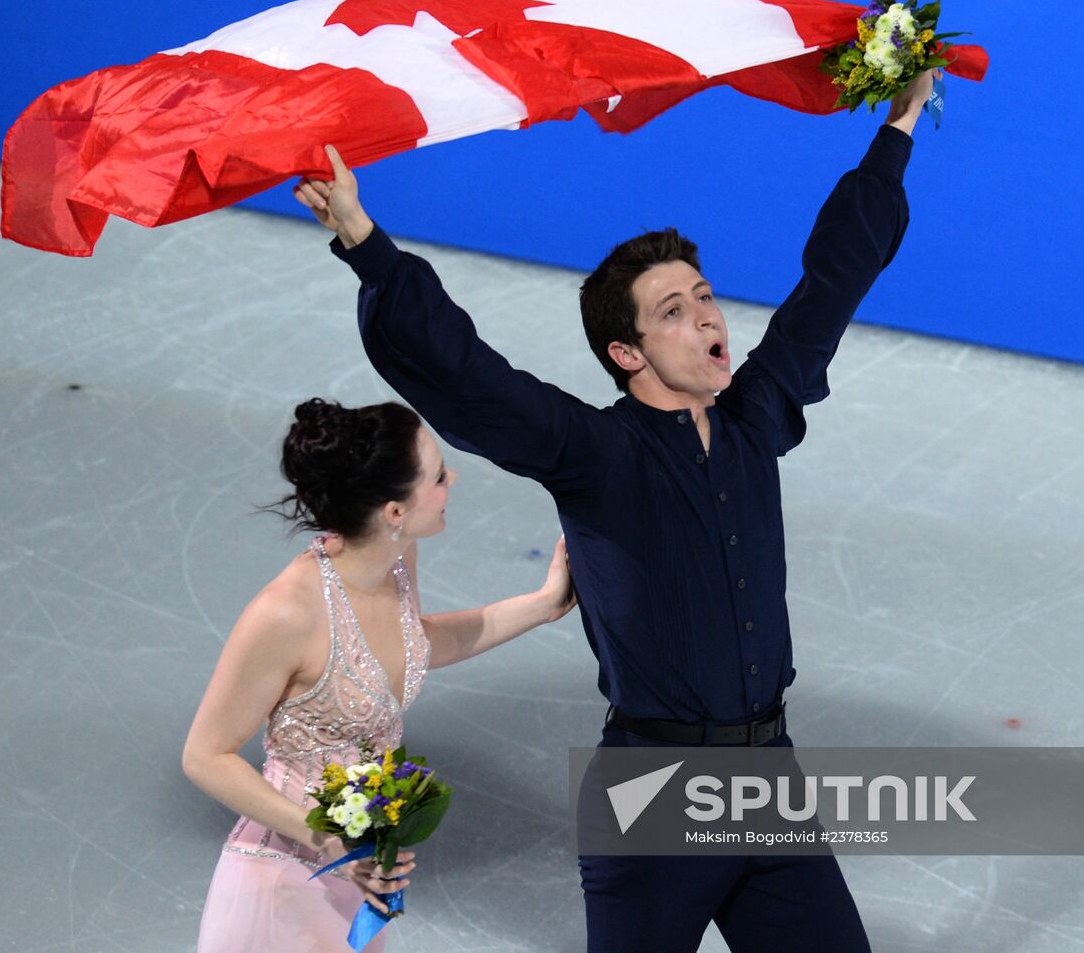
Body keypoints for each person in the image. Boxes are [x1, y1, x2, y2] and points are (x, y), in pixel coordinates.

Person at [295, 71, 935, 952]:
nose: (706, 315)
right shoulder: (594, 454)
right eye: (673, 310)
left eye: (704, 295)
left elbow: (831, 284)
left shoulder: (755, 419)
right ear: (626, 351)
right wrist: (367, 245)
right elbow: (465, 373)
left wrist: (897, 128)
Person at [183, 398, 576, 952]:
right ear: (395, 511)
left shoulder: (396, 562)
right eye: (438, 476)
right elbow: (205, 756)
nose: (453, 479)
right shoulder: (285, 614)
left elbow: (412, 646)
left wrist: (544, 604)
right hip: (280, 887)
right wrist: (327, 841)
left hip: (358, 882)